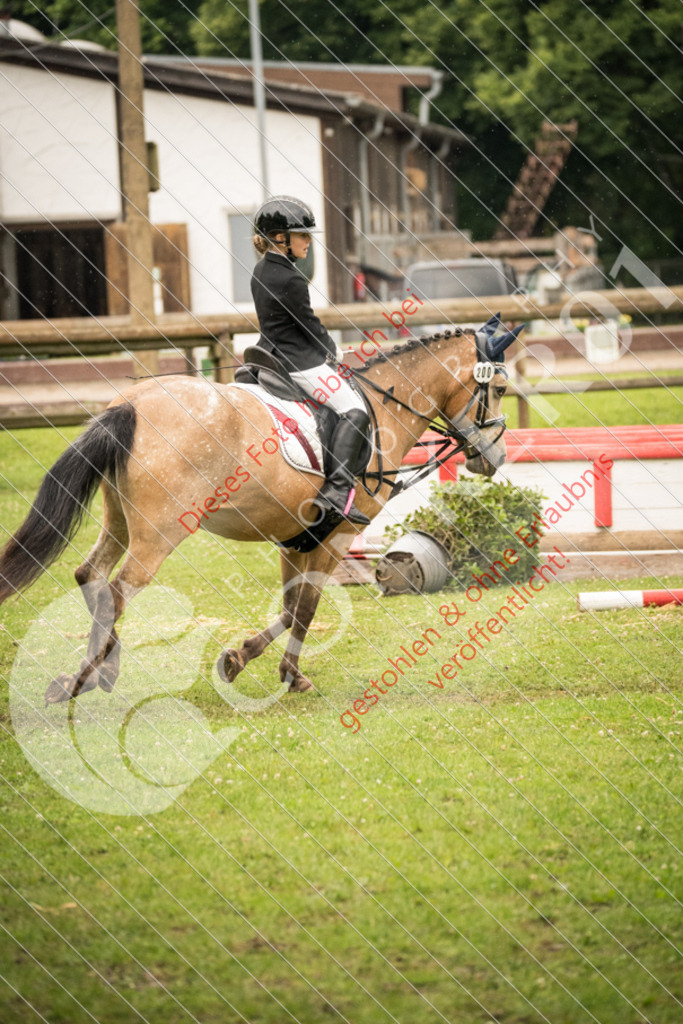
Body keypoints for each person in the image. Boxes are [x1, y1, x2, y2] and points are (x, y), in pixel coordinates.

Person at [251, 195, 371, 527]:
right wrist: (332, 350)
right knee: (355, 411)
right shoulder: (290, 277)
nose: (308, 241)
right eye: (302, 235)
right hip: (299, 363)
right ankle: (335, 490)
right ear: (280, 238)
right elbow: (307, 323)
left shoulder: (262, 270)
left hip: (272, 354)